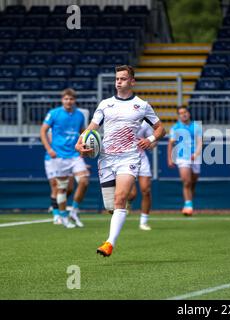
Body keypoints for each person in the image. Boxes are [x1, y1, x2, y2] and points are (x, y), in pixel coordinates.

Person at [75, 65, 165, 257]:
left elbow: (160, 129)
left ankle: (109, 243)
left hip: (129, 157)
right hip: (106, 159)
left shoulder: (142, 105)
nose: (118, 82)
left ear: (132, 81)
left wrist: (150, 140)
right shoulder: (105, 104)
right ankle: (119, 213)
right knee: (111, 206)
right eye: (117, 78)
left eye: (123, 78)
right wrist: (79, 142)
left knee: (120, 198)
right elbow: (91, 128)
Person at [40, 88, 90, 228]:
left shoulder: (79, 115)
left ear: (74, 100)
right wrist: (49, 149)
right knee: (59, 188)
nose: (69, 101)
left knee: (84, 181)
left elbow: (82, 133)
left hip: (74, 155)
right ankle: (60, 215)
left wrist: (83, 149)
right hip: (57, 156)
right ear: (62, 100)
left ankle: (74, 210)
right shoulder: (54, 113)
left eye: (71, 99)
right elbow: (43, 131)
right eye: (66, 99)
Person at [167, 106, 203, 216]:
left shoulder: (196, 127)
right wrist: (170, 159)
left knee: (193, 182)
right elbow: (171, 144)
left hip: (195, 157)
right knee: (186, 182)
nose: (184, 114)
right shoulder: (175, 128)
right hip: (182, 157)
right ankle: (188, 206)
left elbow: (200, 142)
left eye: (185, 112)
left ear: (189, 113)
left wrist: (196, 154)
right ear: (178, 115)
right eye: (181, 113)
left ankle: (189, 202)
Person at [127, 121, 155, 231]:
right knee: (132, 193)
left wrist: (149, 143)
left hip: (142, 159)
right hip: (126, 160)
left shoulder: (145, 124)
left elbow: (153, 141)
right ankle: (127, 202)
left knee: (146, 190)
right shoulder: (122, 119)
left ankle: (143, 222)